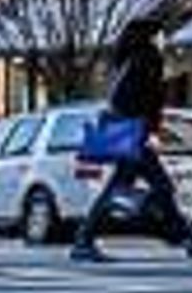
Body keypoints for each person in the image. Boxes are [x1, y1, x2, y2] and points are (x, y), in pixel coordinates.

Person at [70, 14, 185, 263]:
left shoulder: (128, 58)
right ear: (153, 36)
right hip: (134, 131)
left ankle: (185, 236)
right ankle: (85, 239)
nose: (164, 39)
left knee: (144, 185)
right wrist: (151, 129)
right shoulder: (149, 57)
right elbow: (152, 98)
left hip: (124, 128)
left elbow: (127, 98)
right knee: (146, 186)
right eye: (161, 34)